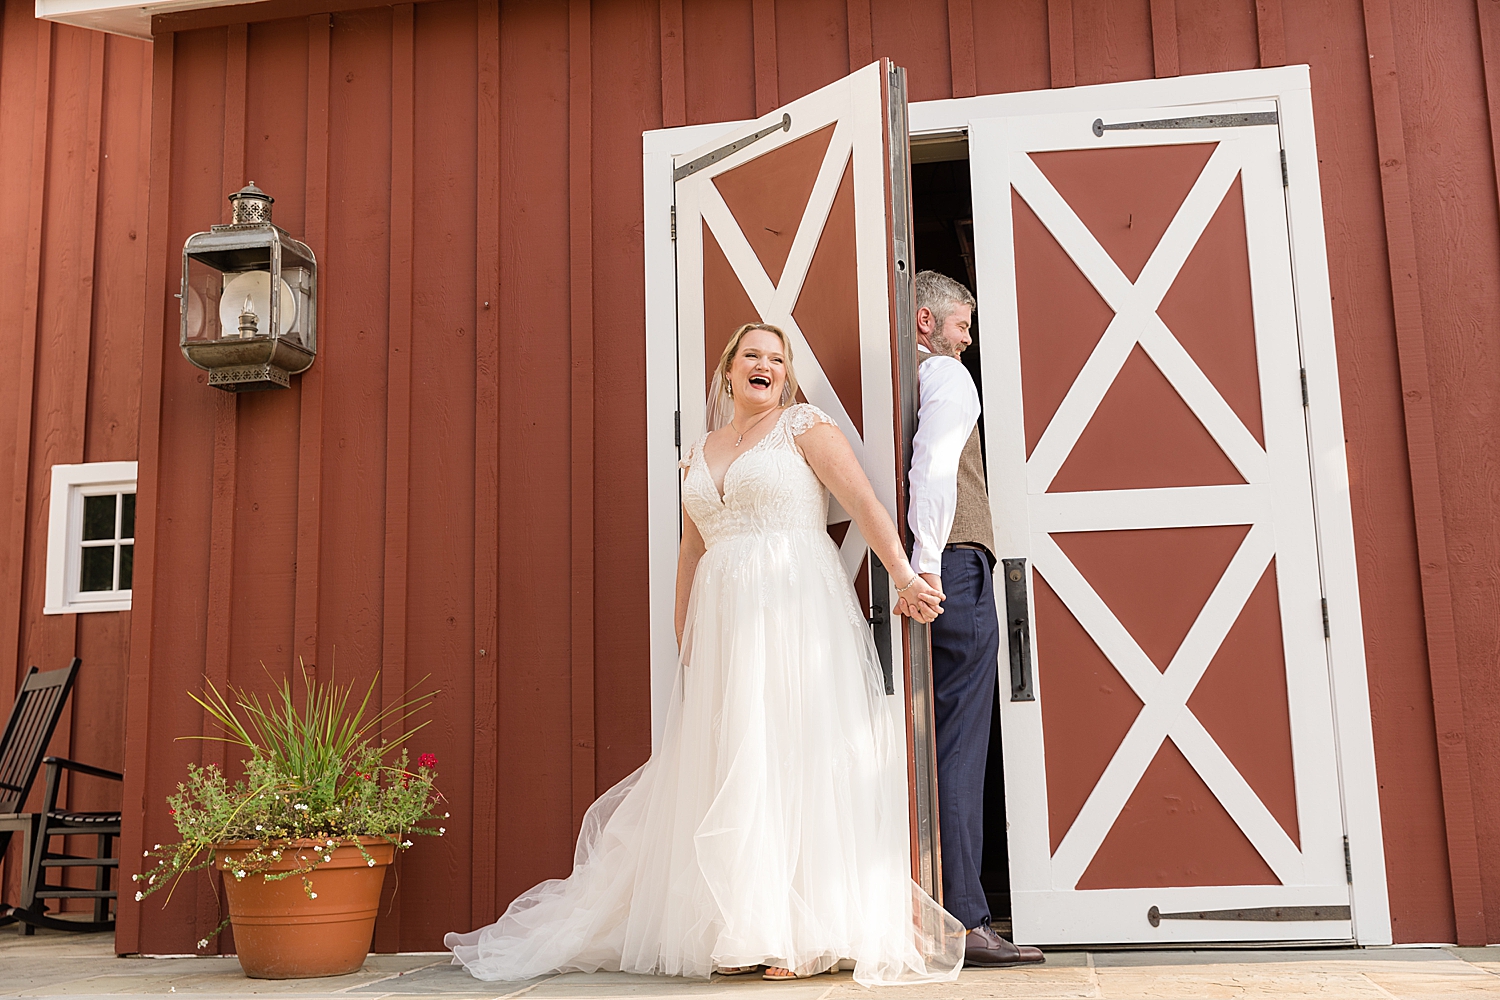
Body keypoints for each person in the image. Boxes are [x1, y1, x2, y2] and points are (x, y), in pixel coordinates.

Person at [446, 322, 964, 986]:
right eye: (753, 355)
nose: (766, 366)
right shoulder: (701, 450)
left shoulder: (805, 426)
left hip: (793, 609)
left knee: (788, 758)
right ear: (728, 370)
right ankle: (743, 925)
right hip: (721, 626)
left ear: (785, 375)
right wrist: (684, 633)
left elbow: (861, 503)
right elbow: (692, 551)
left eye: (777, 359)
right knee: (732, 766)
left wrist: (905, 574)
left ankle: (799, 935)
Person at [901, 271, 1044, 968]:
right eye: (960, 324)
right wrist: (928, 565)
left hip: (929, 565)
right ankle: (965, 920)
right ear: (925, 322)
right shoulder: (947, 376)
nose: (967, 337)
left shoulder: (902, 381)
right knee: (960, 745)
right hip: (952, 566)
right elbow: (931, 470)